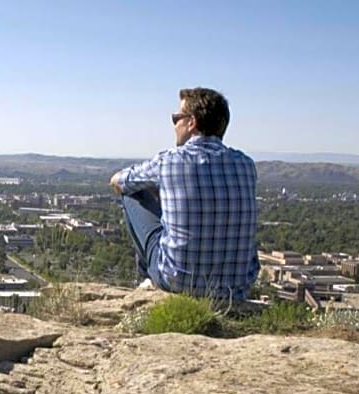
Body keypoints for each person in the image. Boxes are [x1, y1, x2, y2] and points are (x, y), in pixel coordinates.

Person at [109, 87, 259, 301]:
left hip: (177, 282)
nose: (175, 125)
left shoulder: (170, 161)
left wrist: (156, 190)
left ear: (192, 123)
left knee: (133, 192)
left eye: (176, 118)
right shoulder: (246, 164)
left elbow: (117, 182)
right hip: (236, 287)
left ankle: (148, 280)